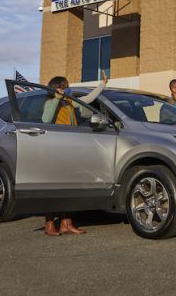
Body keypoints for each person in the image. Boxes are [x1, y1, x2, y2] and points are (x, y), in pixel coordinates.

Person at [41, 70, 108, 236]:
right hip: (55, 148)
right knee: (53, 187)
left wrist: (103, 84)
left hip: (70, 147)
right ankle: (49, 224)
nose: (67, 89)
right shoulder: (50, 102)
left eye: (67, 87)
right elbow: (46, 120)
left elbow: (88, 99)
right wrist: (57, 98)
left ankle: (66, 223)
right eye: (64, 87)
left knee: (68, 186)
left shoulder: (70, 102)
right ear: (56, 88)